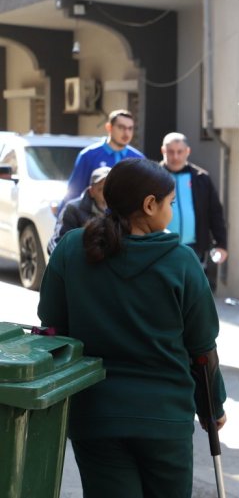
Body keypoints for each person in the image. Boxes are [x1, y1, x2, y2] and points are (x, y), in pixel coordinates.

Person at [37, 158, 226, 498]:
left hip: (95, 416)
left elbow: (51, 327)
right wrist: (213, 408)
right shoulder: (181, 262)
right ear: (149, 205)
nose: (172, 210)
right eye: (169, 203)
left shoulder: (71, 249)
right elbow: (202, 348)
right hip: (165, 419)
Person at [160, 132, 229, 289]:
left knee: (192, 293)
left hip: (194, 248)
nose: (175, 156)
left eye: (180, 151)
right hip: (162, 246)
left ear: (188, 152)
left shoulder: (201, 178)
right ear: (163, 151)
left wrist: (221, 244)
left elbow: (215, 213)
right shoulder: (152, 176)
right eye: (170, 152)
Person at [64, 109, 144, 204]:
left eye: (130, 128)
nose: (126, 133)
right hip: (93, 215)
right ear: (109, 127)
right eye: (121, 127)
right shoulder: (89, 155)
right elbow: (74, 191)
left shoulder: (139, 159)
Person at [48, 165, 110, 254]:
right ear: (91, 191)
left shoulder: (122, 210)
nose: (106, 193)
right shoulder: (72, 209)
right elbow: (56, 243)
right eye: (101, 189)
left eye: (110, 188)